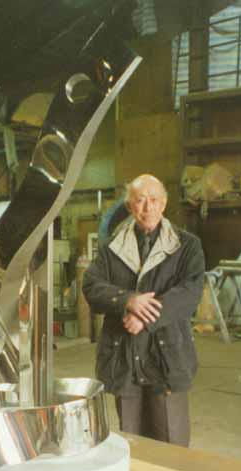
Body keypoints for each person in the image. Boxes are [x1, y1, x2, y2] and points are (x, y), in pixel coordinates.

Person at [82, 174, 205, 446]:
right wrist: (128, 300)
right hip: (125, 356)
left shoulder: (187, 246)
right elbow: (91, 285)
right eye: (140, 200)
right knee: (132, 439)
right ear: (129, 206)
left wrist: (145, 318)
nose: (147, 207)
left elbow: (190, 291)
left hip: (167, 356)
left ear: (164, 204)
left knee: (171, 441)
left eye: (154, 200)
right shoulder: (112, 247)